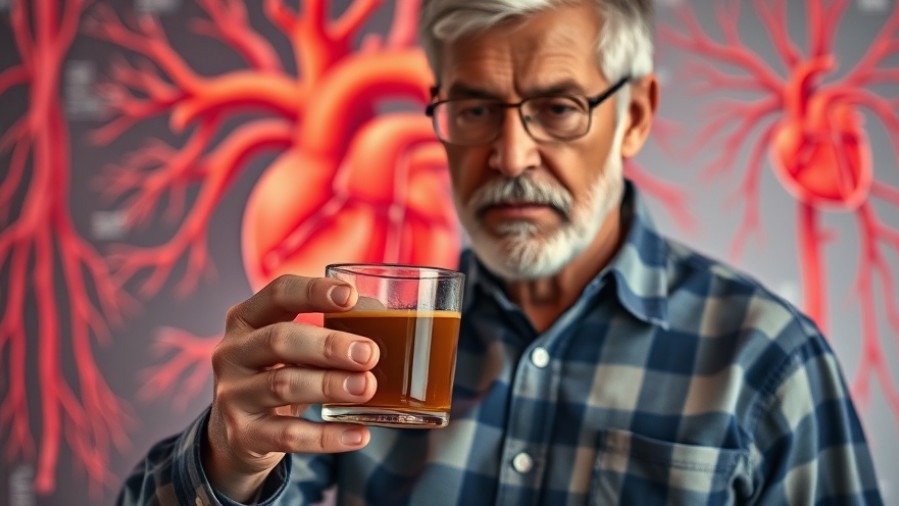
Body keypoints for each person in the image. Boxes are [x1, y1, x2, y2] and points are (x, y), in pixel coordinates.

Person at [118, 0, 883, 504]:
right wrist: (228, 457)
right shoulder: (376, 343)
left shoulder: (765, 359)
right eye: (476, 109)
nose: (510, 154)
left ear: (636, 116)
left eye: (557, 108)